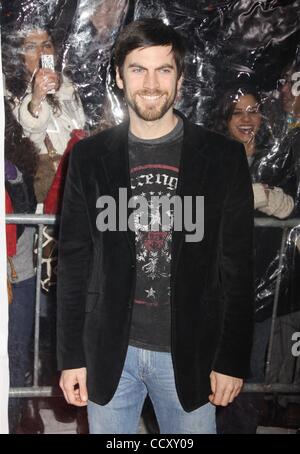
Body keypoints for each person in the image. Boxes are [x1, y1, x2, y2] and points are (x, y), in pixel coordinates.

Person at [57, 18, 254, 434]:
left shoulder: (223, 158)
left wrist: (232, 357)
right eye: (137, 69)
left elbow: (238, 268)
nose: (151, 83)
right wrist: (70, 355)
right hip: (110, 352)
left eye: (164, 69)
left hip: (191, 353)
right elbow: (74, 263)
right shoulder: (89, 158)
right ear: (118, 76)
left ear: (180, 78)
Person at [214, 87, 296, 433]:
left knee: (251, 369)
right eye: (238, 112)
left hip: (258, 286)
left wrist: (263, 195)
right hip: (214, 281)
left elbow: (290, 206)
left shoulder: (276, 158)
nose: (247, 119)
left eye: (253, 111)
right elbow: (210, 202)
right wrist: (259, 194)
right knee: (209, 364)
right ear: (226, 119)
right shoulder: (210, 153)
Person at [3, 22, 85, 202]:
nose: (42, 53)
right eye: (31, 47)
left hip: (78, 184)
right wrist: (37, 98)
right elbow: (30, 145)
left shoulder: (68, 86)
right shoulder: (9, 93)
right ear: (18, 54)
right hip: (45, 196)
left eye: (47, 45)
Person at [4, 100, 44, 434]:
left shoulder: (17, 164)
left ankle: (15, 413)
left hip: (17, 276)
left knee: (15, 352)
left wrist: (13, 178)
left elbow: (27, 211)